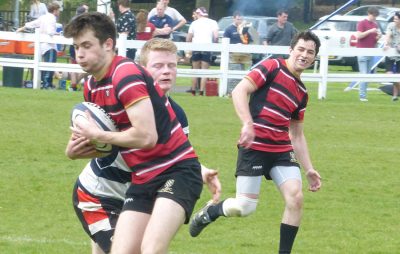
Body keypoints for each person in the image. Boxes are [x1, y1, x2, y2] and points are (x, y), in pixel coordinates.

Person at [63, 12, 207, 254]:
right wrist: (75, 149)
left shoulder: (125, 74)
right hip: (142, 179)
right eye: (76, 47)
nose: (80, 54)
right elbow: (107, 143)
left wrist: (98, 135)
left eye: (87, 45)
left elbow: (146, 137)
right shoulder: (90, 86)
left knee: (150, 249)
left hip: (177, 171)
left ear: (108, 44)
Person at [189, 31, 322, 254]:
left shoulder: (302, 93)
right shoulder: (272, 67)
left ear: (314, 58)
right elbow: (239, 90)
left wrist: (309, 169)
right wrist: (247, 123)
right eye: (301, 49)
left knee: (296, 198)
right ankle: (210, 213)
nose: (304, 55)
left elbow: (297, 135)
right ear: (291, 50)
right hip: (254, 147)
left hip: (281, 150)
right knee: (244, 207)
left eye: (310, 52)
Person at [16, 2, 61, 89]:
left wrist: (23, 27)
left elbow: (33, 23)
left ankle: (46, 83)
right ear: (55, 10)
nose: (59, 12)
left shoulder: (43, 17)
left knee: (45, 65)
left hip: (42, 46)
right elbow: (50, 32)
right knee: (49, 65)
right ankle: (47, 85)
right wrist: (57, 33)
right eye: (58, 10)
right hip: (49, 46)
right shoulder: (52, 18)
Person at [186, 7, 219, 96]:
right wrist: (214, 44)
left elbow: (188, 38)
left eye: (196, 14)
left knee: (195, 70)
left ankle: (193, 91)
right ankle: (201, 92)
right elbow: (216, 37)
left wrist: (188, 45)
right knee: (204, 71)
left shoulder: (194, 23)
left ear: (198, 14)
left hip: (196, 48)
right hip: (207, 48)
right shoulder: (213, 22)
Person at [356, 6, 381, 102]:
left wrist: (378, 36)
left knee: (368, 74)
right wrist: (370, 31)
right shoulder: (362, 23)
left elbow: (374, 40)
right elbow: (359, 35)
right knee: (363, 74)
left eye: (376, 16)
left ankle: (364, 94)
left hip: (371, 52)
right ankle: (362, 95)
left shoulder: (375, 24)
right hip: (362, 52)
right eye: (374, 16)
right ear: (369, 14)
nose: (375, 18)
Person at [68, 4, 89, 91]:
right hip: (82, 46)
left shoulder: (72, 20)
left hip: (72, 45)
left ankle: (73, 86)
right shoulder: (85, 22)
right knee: (87, 66)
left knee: (73, 64)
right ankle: (75, 84)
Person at [383, 11, 400, 101]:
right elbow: (388, 36)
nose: (394, 20)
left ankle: (395, 96)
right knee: (389, 75)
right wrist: (386, 44)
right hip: (391, 54)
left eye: (396, 19)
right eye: (394, 19)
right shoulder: (391, 25)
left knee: (398, 76)